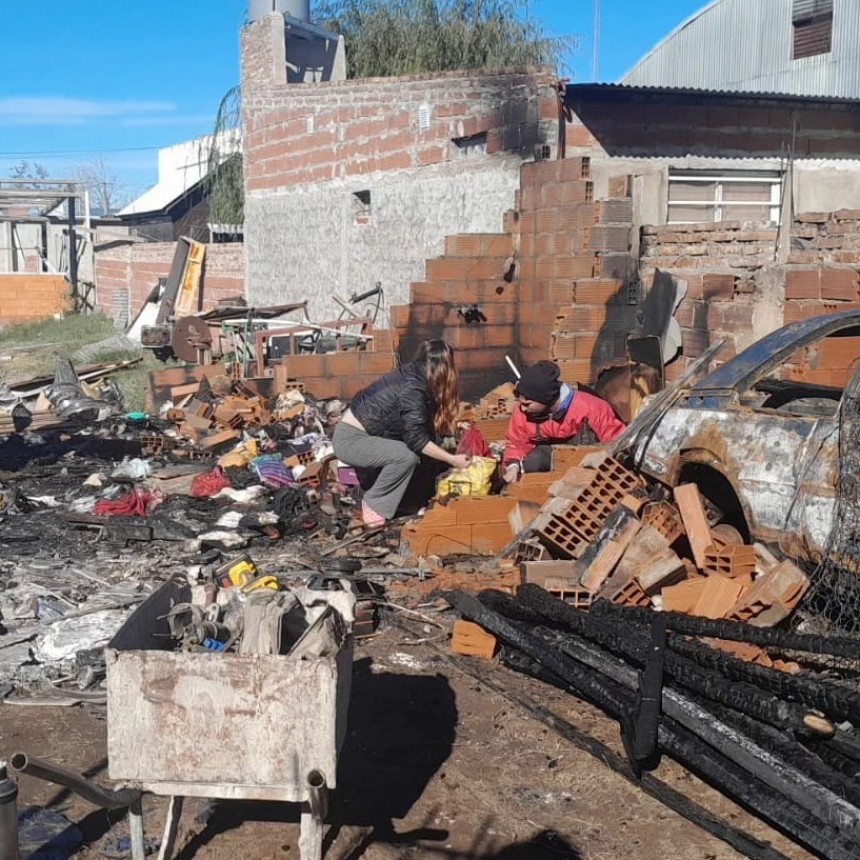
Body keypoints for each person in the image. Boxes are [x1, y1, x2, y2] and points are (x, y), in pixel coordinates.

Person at [333, 339, 472, 525]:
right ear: (444, 368)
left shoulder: (416, 376)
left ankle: (410, 503)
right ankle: (374, 503)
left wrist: (453, 428)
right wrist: (452, 460)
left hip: (366, 435)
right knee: (406, 455)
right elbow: (417, 440)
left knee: (426, 450)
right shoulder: (413, 388)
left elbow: (418, 423)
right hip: (351, 440)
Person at [502, 360, 626, 483]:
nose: (522, 408)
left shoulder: (592, 408)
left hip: (589, 464)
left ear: (546, 398)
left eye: (527, 404)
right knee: (534, 462)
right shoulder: (522, 411)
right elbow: (516, 443)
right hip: (549, 461)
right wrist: (513, 467)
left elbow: (616, 443)